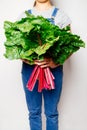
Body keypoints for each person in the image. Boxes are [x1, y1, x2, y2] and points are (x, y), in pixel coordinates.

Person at [20, 0, 71, 130]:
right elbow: (18, 46)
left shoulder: (60, 15)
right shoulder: (24, 16)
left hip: (53, 72)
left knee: (52, 113)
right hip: (30, 71)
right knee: (34, 113)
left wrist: (55, 62)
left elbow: (69, 46)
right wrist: (27, 59)